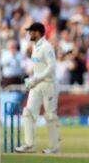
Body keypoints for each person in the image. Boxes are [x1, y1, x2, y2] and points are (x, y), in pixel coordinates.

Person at [15, 22, 60, 154]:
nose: (29, 33)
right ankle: (29, 145)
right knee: (27, 113)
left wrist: (36, 78)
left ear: (38, 32)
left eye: (31, 31)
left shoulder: (47, 47)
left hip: (49, 85)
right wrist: (32, 79)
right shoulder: (35, 46)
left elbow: (52, 67)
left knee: (50, 115)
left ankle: (54, 147)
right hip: (37, 85)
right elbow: (38, 67)